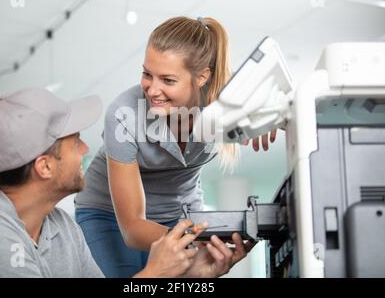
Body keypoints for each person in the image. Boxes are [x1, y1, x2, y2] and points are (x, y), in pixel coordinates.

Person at [0, 88, 247, 278]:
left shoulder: (62, 229)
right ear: (45, 166)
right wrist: (154, 273)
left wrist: (189, 276)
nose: (86, 150)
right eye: (74, 142)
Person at [74, 16, 276, 277]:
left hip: (178, 213)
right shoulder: (124, 115)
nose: (152, 90)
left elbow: (294, 105)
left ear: (202, 77)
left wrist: (271, 116)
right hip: (109, 214)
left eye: (167, 80)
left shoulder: (227, 100)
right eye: (147, 74)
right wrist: (195, 238)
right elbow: (133, 229)